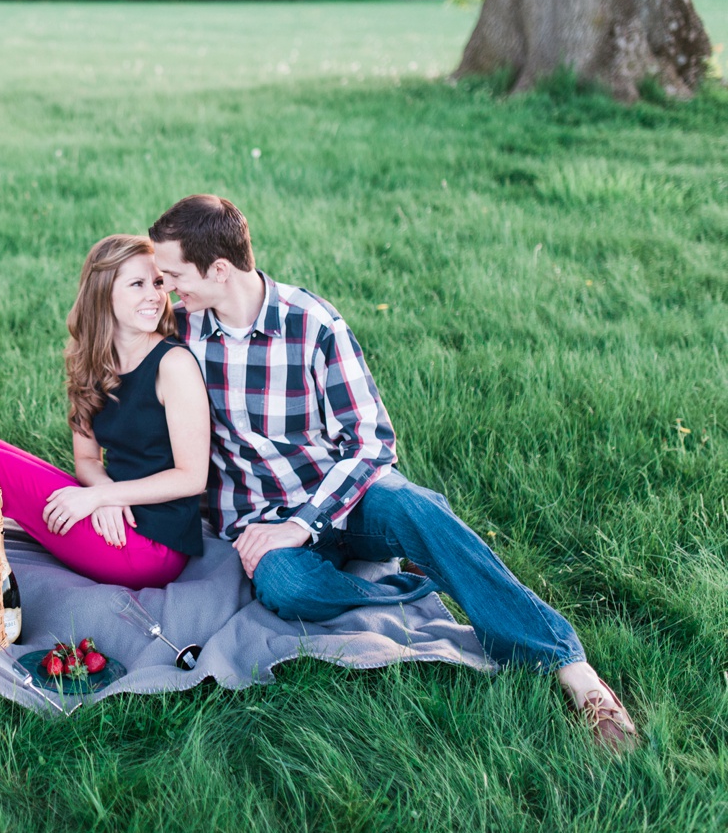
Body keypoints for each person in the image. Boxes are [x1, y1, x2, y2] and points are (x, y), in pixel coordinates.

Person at [148, 194, 639, 752]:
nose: (166, 288)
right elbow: (121, 368)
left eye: (173, 275)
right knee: (287, 585)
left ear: (218, 269)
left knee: (416, 507)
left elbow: (371, 442)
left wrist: (305, 522)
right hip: (259, 517)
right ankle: (412, 584)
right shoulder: (182, 334)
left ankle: (573, 671)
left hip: (342, 499)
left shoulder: (312, 325)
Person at [0, 234, 210, 591]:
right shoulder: (93, 359)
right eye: (137, 284)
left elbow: (192, 477)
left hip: (150, 545)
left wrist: (102, 497)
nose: (155, 295)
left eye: (157, 283)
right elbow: (87, 459)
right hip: (116, 511)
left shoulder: (173, 364)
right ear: (103, 293)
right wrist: (105, 493)